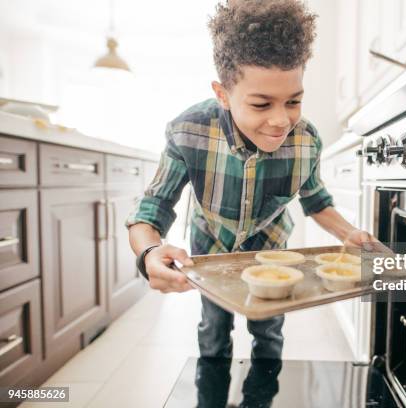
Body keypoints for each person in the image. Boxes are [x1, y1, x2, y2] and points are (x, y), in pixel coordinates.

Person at [126, 0, 380, 360]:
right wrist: (149, 252)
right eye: (261, 105)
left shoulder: (307, 141)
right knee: (213, 333)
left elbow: (316, 201)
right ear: (223, 94)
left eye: (293, 101)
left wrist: (348, 234)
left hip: (272, 248)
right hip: (210, 248)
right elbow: (152, 210)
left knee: (269, 333)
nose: (281, 121)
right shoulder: (188, 132)